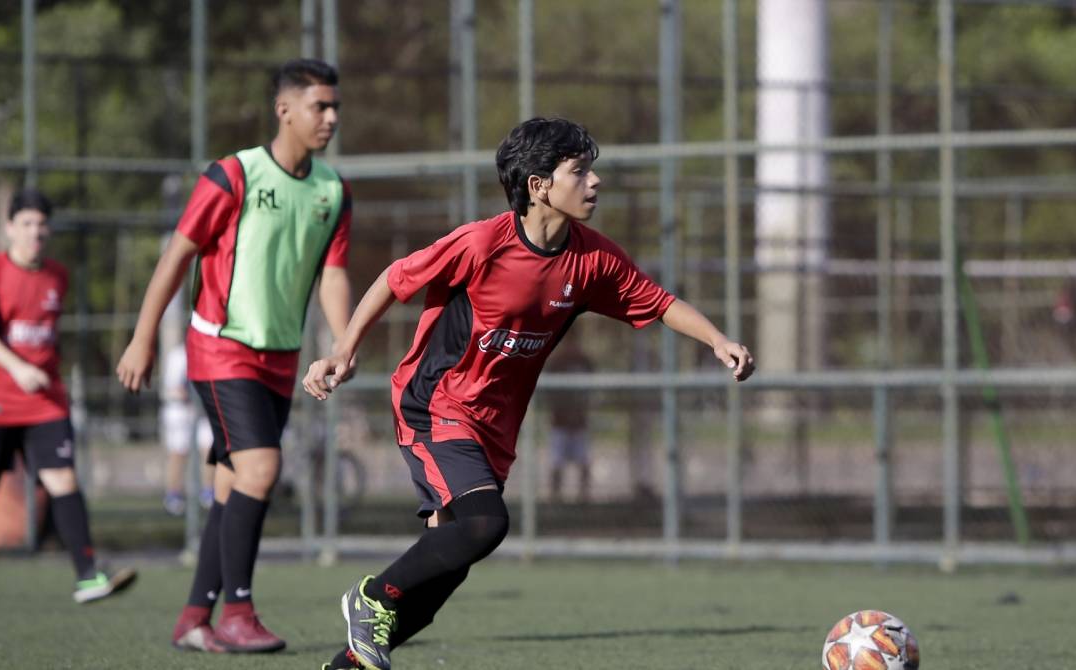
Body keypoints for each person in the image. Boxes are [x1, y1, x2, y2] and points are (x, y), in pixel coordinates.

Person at [303, 117, 755, 670]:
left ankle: (349, 664)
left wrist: (717, 339)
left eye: (593, 171)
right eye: (579, 171)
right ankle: (371, 597)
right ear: (539, 185)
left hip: (493, 426)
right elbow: (395, 279)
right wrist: (345, 350)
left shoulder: (592, 260)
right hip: (435, 404)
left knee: (446, 569)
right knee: (485, 524)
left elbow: (658, 302)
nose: (594, 183)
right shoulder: (481, 243)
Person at [116, 58, 352, 654]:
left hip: (281, 357)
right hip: (220, 348)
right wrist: (143, 336)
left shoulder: (332, 190)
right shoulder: (232, 175)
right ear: (284, 110)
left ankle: (195, 618)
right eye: (319, 106)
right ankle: (239, 612)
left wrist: (344, 342)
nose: (329, 116)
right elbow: (175, 259)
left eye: (334, 106)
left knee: (231, 485)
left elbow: (332, 276)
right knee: (262, 470)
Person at [0, 187, 136, 606]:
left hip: (45, 401)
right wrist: (17, 367)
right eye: (26, 224)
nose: (35, 232)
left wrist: (40, 373)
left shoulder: (57, 275)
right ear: (9, 228)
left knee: (64, 480)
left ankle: (88, 576)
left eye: (41, 224)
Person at [160, 343, 215, 516]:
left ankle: (208, 492)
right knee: (178, 453)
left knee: (210, 450)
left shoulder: (210, 351)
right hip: (181, 412)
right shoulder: (178, 355)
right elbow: (174, 388)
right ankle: (173, 494)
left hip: (204, 411)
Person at [544, 335, 594, 503]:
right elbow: (550, 395)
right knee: (556, 461)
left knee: (583, 460)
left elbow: (590, 393)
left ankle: (584, 497)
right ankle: (555, 498)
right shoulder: (557, 363)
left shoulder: (584, 362)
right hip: (560, 421)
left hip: (580, 421)